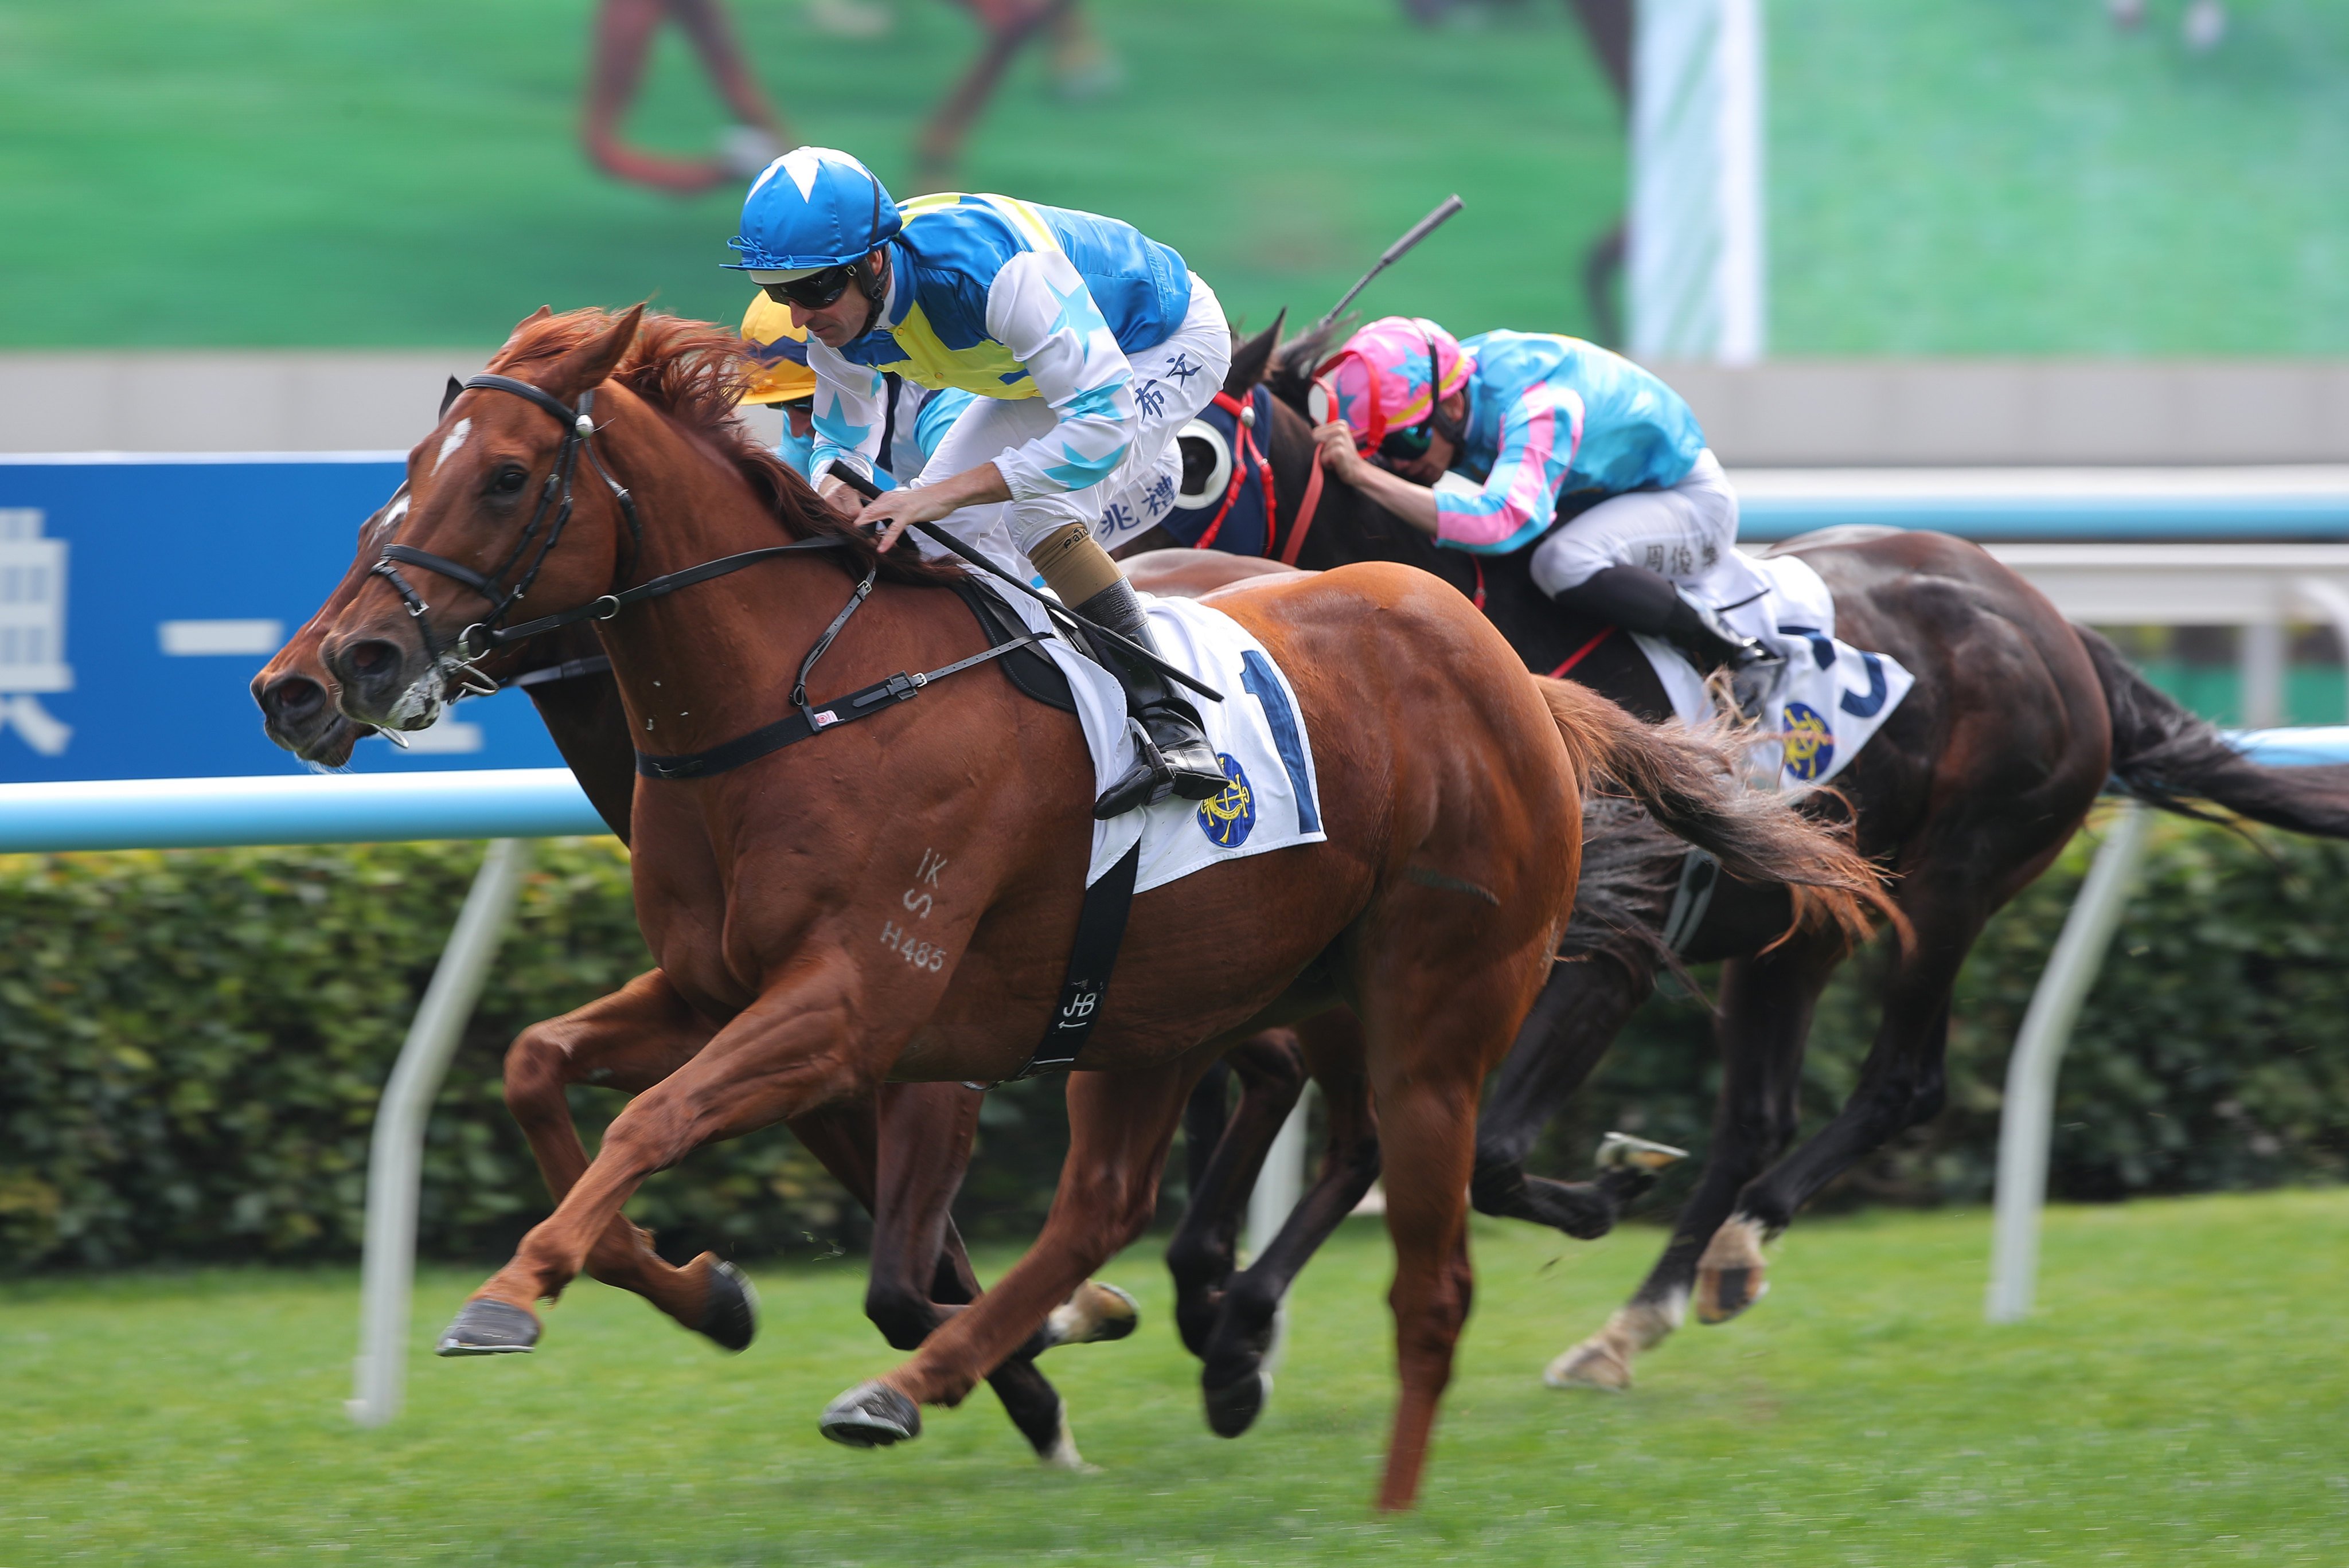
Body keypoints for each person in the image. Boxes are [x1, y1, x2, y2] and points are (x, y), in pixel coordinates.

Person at [727, 146, 1226, 817]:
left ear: (875, 262)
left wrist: (942, 491)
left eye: (815, 290)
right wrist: (833, 483)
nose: (799, 315)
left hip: (1158, 343)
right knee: (933, 543)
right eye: (779, 291)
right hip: (1039, 374)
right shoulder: (835, 314)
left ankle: (1172, 723)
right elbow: (839, 438)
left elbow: (1102, 426)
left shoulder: (992, 271)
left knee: (1035, 515)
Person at [1307, 316, 1777, 680]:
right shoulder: (1449, 385)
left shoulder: (1539, 406)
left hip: (1690, 506)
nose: (1399, 463)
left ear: (1451, 406)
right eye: (1381, 447)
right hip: (1605, 502)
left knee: (1561, 562)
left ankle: (1733, 655)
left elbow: (1504, 521)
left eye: (1403, 445)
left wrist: (1367, 477)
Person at [739, 293, 973, 483]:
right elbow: (793, 474)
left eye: (808, 404)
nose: (798, 429)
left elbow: (969, 512)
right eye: (779, 404)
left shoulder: (947, 411)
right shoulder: (818, 404)